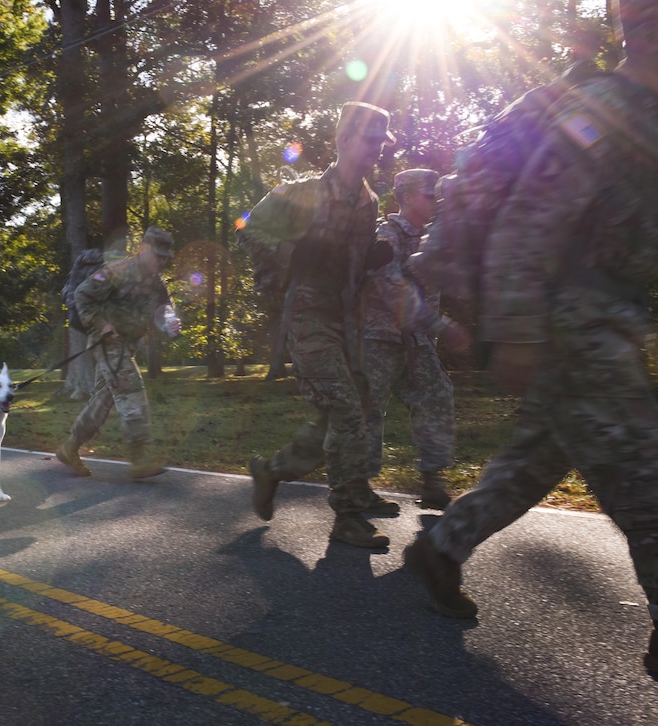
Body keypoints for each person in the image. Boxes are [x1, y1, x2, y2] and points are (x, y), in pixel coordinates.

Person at [403, 0, 658, 679]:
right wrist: (513, 331)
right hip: (571, 325)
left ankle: (442, 548)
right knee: (646, 483)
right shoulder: (606, 106)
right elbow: (529, 218)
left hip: (605, 323)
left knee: (534, 463)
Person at [245, 101, 401, 548]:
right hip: (308, 315)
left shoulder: (369, 201)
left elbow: (351, 265)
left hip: (346, 317)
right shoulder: (302, 191)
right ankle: (347, 515)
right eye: (370, 140)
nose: (377, 150)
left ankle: (274, 471)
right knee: (347, 408)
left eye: (381, 142)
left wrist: (371, 260)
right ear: (344, 139)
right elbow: (246, 227)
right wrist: (294, 252)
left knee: (353, 408)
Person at [362, 169, 470, 511]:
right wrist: (441, 325)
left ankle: (432, 481)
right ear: (407, 197)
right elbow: (394, 289)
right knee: (368, 412)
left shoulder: (430, 237)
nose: (434, 201)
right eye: (428, 194)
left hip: (415, 340)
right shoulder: (387, 235)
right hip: (380, 339)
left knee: (436, 395)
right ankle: (358, 487)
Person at [55, 226, 180, 480]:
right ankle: (140, 457)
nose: (163, 261)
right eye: (158, 254)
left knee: (103, 400)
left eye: (166, 256)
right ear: (143, 249)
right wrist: (102, 325)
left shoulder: (156, 283)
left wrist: (171, 322)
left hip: (127, 346)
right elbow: (83, 295)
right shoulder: (118, 271)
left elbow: (164, 311)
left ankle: (70, 448)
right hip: (107, 341)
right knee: (130, 388)